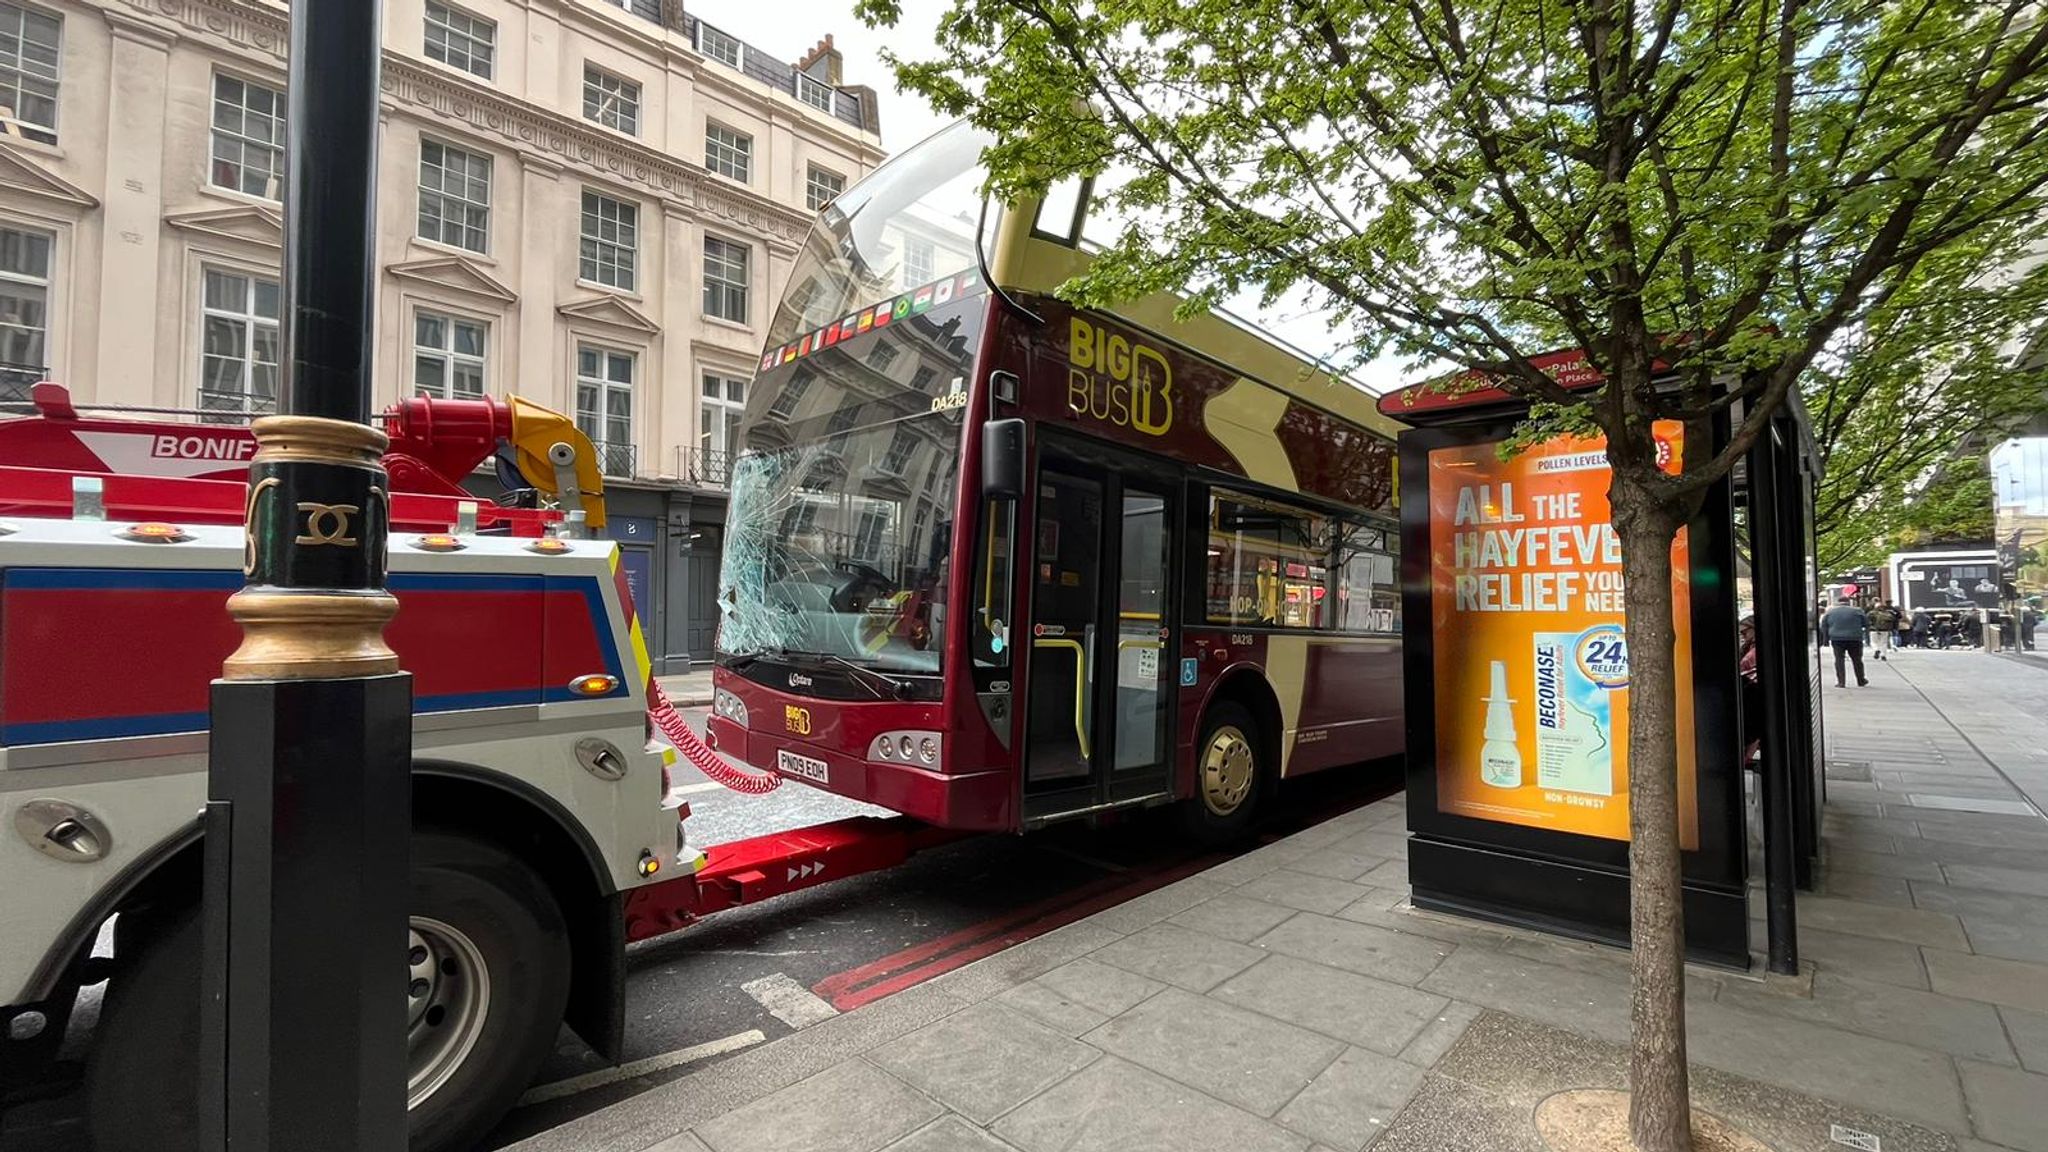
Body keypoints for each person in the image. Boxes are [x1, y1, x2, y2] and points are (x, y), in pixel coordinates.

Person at [1820, 594, 1869, 687]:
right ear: (1848, 602)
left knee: (1839, 660)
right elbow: (1866, 624)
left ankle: (1841, 682)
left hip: (1837, 639)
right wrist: (1865, 636)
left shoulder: (1830, 612)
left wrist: (1825, 640)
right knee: (1857, 660)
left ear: (1838, 602)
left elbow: (1824, 626)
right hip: (1855, 638)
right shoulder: (1858, 611)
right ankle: (1861, 680)